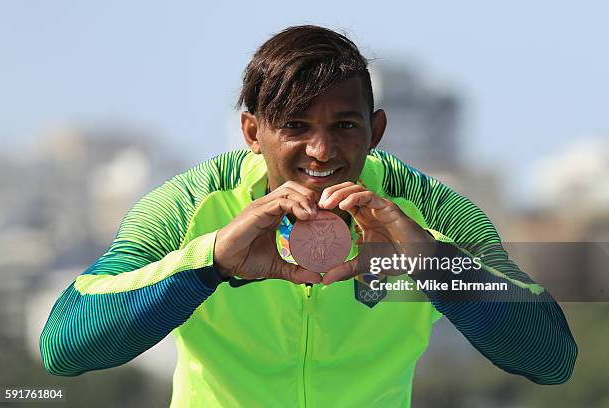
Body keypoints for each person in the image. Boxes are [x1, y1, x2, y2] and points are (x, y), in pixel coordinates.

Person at [40, 25, 577, 407]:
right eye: (295, 125)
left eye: (345, 125)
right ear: (252, 132)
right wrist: (210, 265)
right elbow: (63, 346)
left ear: (377, 129)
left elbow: (552, 358)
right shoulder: (189, 205)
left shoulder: (432, 211)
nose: (321, 151)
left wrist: (431, 267)